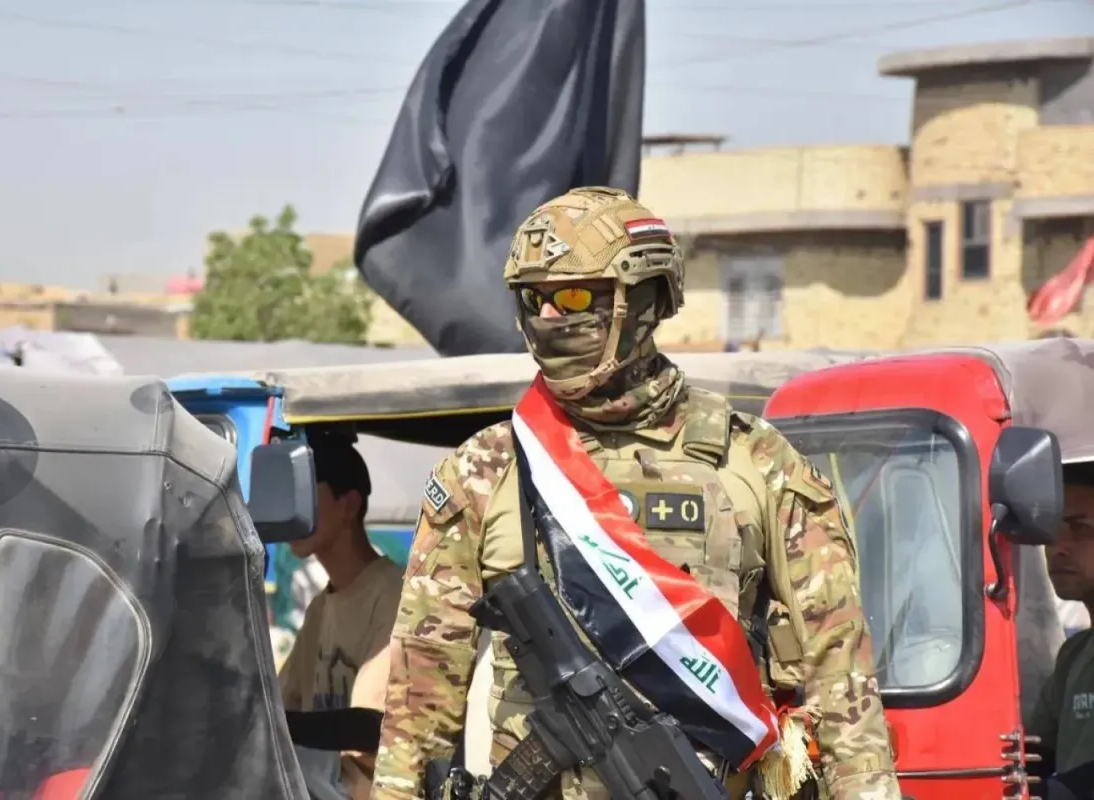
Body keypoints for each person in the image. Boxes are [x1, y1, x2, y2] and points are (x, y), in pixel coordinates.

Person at [370, 187, 900, 799]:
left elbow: (840, 673)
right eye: (535, 299)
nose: (550, 317)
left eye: (573, 297)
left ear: (645, 299)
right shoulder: (485, 470)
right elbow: (420, 694)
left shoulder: (755, 463)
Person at [277, 439, 404, 799]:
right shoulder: (321, 606)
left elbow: (370, 725)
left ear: (349, 504)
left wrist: (263, 720)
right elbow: (284, 702)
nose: (293, 512)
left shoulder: (393, 593)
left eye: (305, 495)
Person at [1027, 462, 1094, 792]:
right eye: (1051, 530)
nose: (1058, 547)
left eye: (1080, 528)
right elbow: (1033, 755)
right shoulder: (1074, 654)